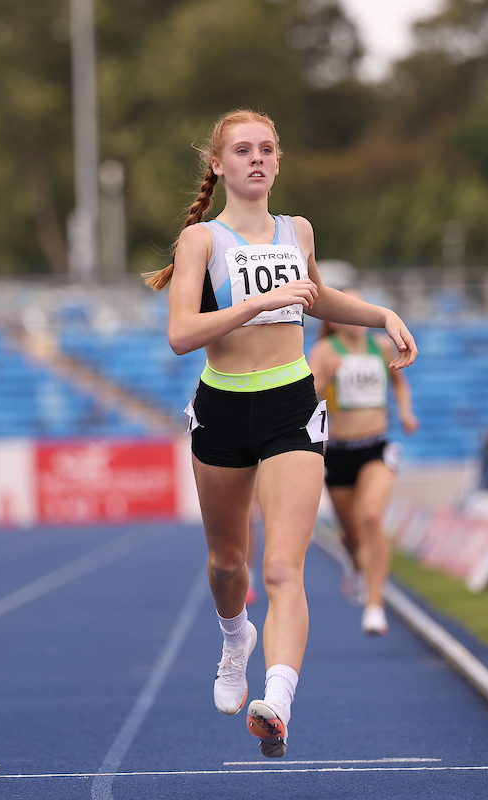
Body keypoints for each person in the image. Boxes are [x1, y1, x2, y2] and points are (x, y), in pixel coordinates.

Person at [145, 109, 417, 758]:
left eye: (267, 149)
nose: (257, 159)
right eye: (242, 150)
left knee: (280, 568)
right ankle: (234, 637)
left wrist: (381, 315)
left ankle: (278, 702)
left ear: (278, 160)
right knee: (227, 564)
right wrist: (255, 305)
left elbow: (316, 298)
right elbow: (181, 335)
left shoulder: (297, 230)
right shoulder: (201, 243)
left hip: (290, 404)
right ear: (218, 165)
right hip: (222, 408)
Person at [308, 291, 418, 635]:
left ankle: (375, 606)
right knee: (354, 536)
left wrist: (404, 410)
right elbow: (306, 397)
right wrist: (326, 378)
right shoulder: (325, 351)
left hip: (376, 447)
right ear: (333, 317)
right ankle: (355, 562)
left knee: (371, 516)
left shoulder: (381, 348)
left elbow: (399, 382)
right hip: (338, 452)